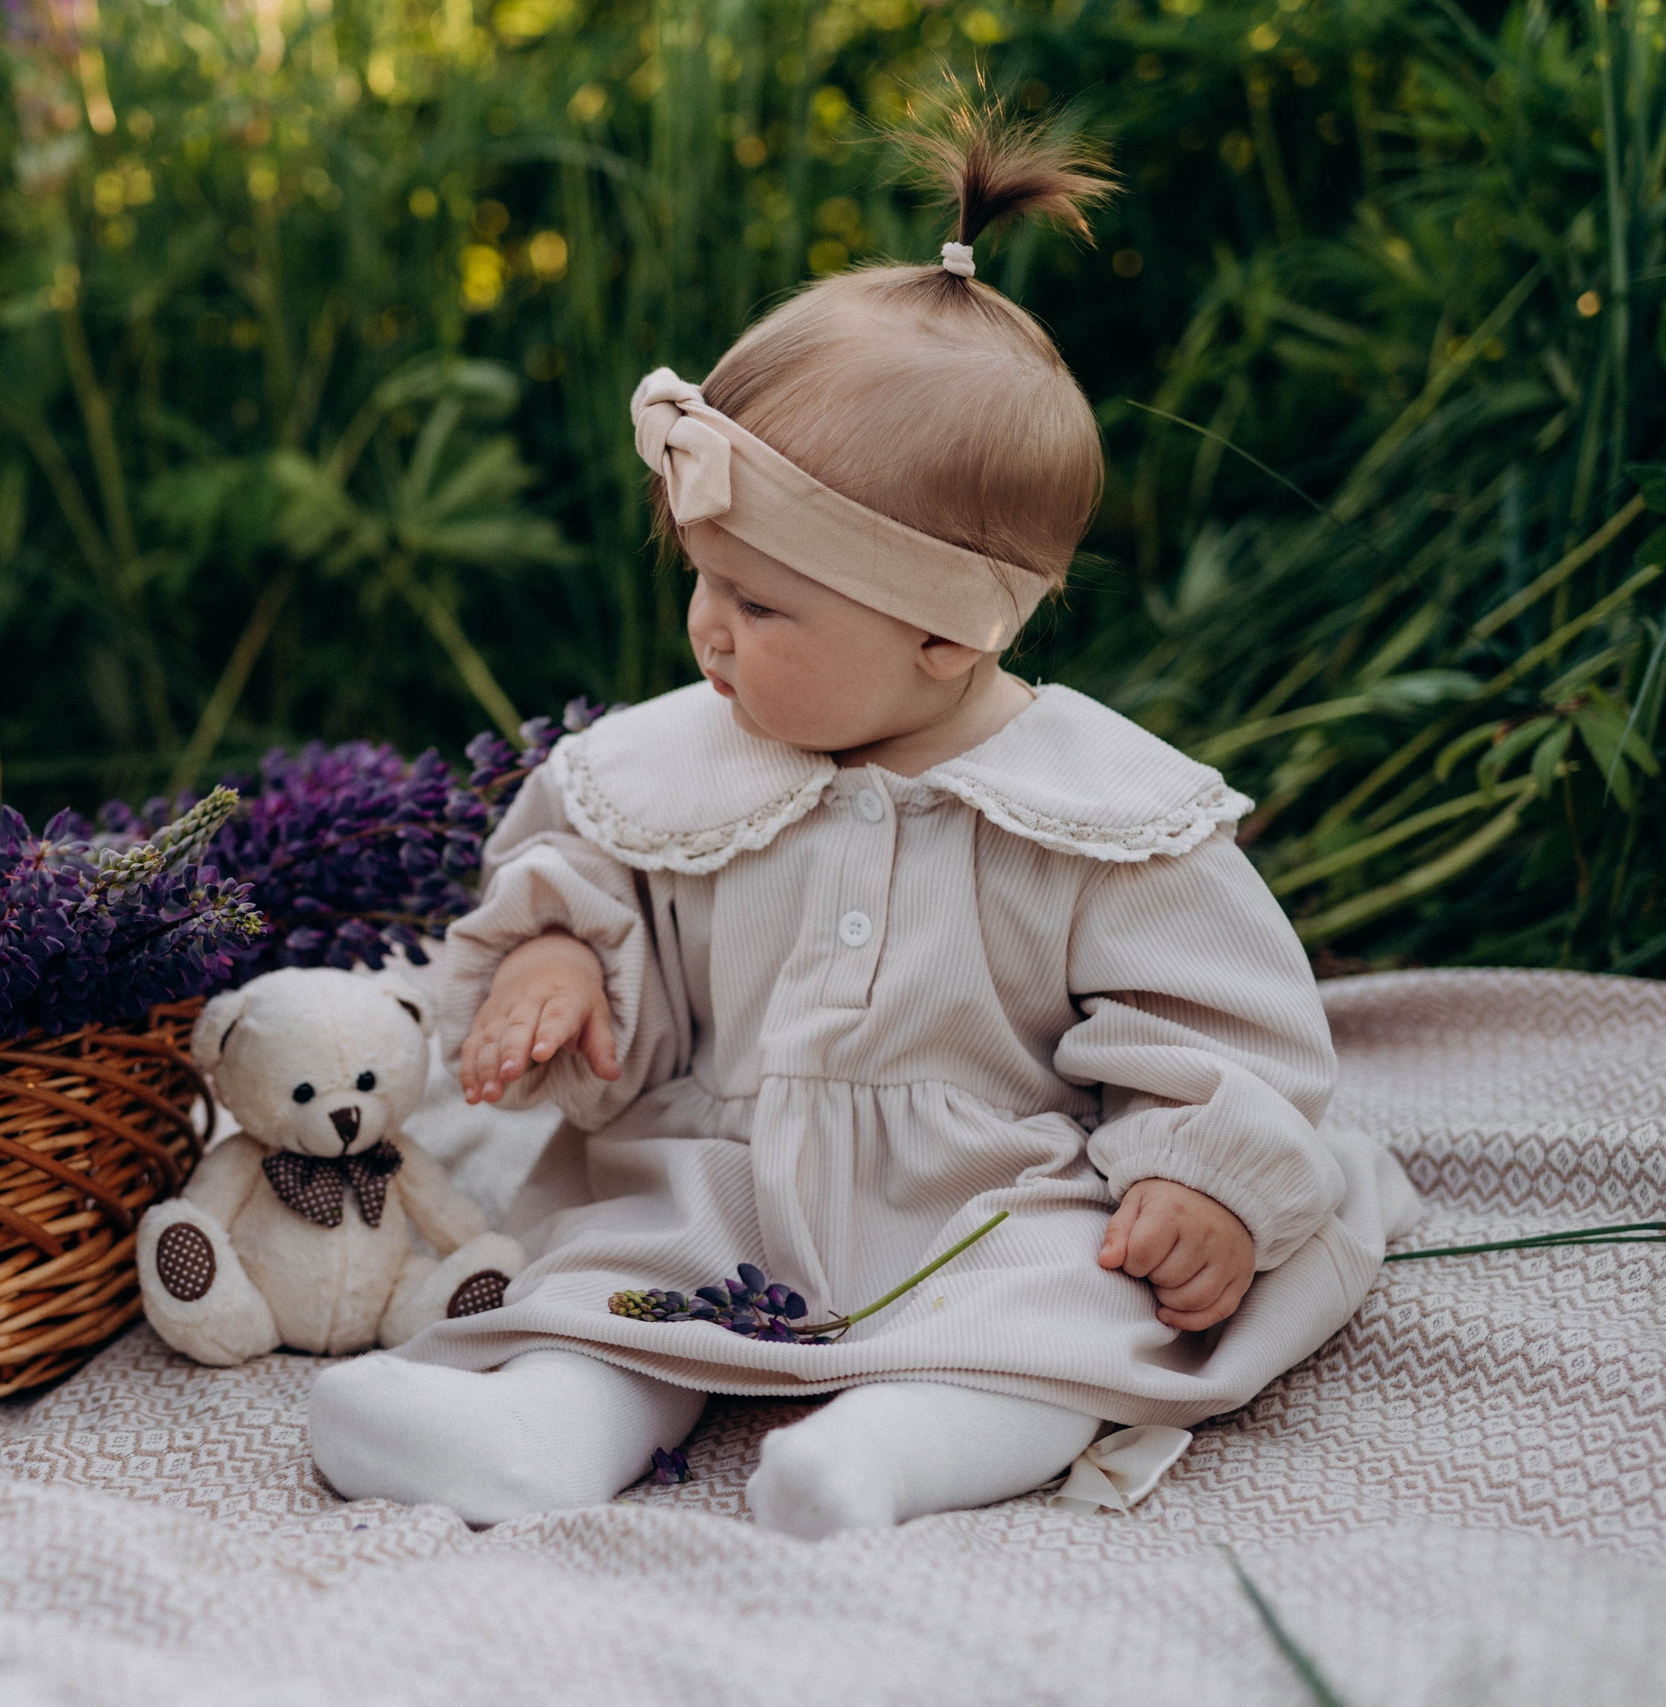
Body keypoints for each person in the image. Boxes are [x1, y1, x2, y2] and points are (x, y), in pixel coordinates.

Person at [305, 110, 1417, 1540]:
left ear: (951, 635)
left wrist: (1194, 1180)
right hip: (722, 1182)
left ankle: (891, 1453)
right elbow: (585, 878)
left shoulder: (1098, 814)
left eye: (763, 607)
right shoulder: (666, 763)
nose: (709, 630)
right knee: (612, 1280)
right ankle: (537, 1431)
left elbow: (1216, 1025)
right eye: (703, 578)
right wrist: (563, 970)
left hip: (994, 1192)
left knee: (1069, 1305)